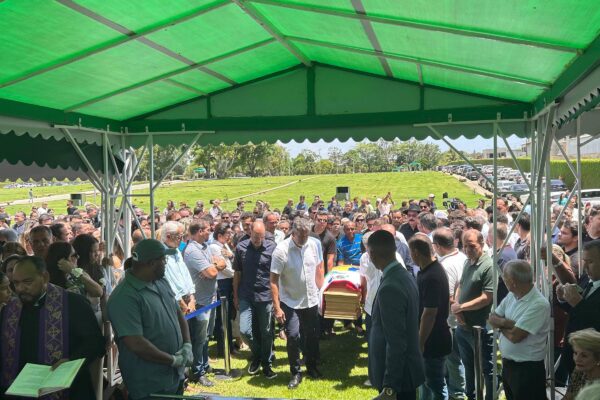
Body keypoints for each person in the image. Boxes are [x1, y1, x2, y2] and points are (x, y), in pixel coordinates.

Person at [1, 256, 105, 399]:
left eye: (27, 282)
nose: (20, 288)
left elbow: (96, 343)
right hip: (20, 390)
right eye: (16, 283)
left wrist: (72, 360)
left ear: (44, 277)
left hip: (68, 389)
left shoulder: (73, 303)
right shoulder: (9, 310)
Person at [108, 239, 193, 400]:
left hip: (174, 377)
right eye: (163, 259)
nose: (166, 263)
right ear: (152, 263)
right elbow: (136, 343)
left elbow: (178, 313)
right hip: (149, 383)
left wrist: (187, 344)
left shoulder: (160, 281)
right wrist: (172, 360)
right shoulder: (124, 297)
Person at [367, 230, 425, 399]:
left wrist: (390, 386)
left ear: (372, 254)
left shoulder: (391, 286)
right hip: (405, 373)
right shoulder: (404, 276)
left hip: (398, 379)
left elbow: (396, 341)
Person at [270, 217, 324, 389]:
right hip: (290, 301)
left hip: (311, 299)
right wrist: (277, 307)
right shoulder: (281, 250)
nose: (304, 239)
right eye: (301, 235)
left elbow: (319, 268)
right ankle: (295, 372)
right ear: (293, 232)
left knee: (312, 335)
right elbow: (273, 280)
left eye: (306, 235)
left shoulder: (314, 244)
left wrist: (321, 292)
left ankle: (312, 366)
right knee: (293, 336)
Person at [488, 260, 550, 400]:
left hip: (527, 370)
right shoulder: (512, 295)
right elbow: (492, 318)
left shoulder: (539, 304)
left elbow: (515, 336)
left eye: (505, 278)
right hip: (509, 366)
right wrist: (508, 324)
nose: (503, 280)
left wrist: (501, 324)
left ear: (512, 281)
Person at [451, 229, 494, 400]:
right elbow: (461, 285)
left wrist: (460, 307)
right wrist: (457, 307)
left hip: (480, 328)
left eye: (472, 246)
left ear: (482, 244)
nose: (467, 250)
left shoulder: (489, 266)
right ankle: (471, 396)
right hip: (464, 326)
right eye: (464, 246)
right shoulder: (467, 262)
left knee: (487, 369)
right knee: (468, 366)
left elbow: (486, 298)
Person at [183, 221, 226, 387]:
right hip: (199, 302)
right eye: (208, 229)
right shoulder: (193, 250)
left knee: (206, 336)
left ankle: (205, 365)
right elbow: (212, 272)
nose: (211, 232)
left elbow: (222, 263)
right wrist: (213, 266)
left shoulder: (205, 247)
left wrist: (212, 265)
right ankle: (197, 371)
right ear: (200, 231)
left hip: (210, 299)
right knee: (199, 338)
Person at [409, 234, 451, 400]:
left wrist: (420, 342)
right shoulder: (427, 271)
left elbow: (429, 314)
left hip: (433, 340)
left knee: (436, 385)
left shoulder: (431, 275)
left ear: (416, 252)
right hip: (432, 338)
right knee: (425, 382)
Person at [233, 221, 277, 378]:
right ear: (250, 232)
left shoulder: (272, 247)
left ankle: (266, 363)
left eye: (262, 236)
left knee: (266, 332)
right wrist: (235, 296)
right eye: (256, 236)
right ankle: (258, 355)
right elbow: (237, 273)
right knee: (244, 331)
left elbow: (277, 274)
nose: (259, 240)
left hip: (265, 295)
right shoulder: (241, 248)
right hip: (246, 295)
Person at [432, 227, 467, 399]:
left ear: (437, 246)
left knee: (454, 360)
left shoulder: (445, 266)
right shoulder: (463, 257)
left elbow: (449, 297)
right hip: (463, 318)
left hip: (451, 321)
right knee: (459, 359)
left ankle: (457, 393)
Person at [557, 239, 600, 377]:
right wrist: (564, 299)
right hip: (574, 359)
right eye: (584, 261)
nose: (585, 267)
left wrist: (578, 303)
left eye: (590, 262)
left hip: (593, 364)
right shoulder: (587, 279)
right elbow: (575, 312)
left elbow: (595, 321)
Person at [161, 221, 196, 317]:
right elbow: (168, 282)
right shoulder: (161, 255)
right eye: (179, 237)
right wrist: (182, 305)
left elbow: (185, 273)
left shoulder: (176, 250)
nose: (181, 240)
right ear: (168, 236)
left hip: (187, 300)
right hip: (174, 303)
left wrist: (192, 297)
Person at [563, 329, 600, 400]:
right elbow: (568, 397)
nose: (577, 359)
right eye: (575, 353)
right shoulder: (579, 369)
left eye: (584, 356)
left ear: (598, 359)